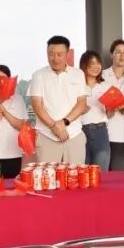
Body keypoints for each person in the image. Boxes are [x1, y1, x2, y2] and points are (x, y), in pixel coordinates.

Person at [28, 35, 88, 164]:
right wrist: (53, 126)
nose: (55, 59)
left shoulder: (78, 74)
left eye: (60, 54)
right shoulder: (38, 75)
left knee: (75, 174)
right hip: (46, 136)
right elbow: (37, 105)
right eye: (51, 54)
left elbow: (81, 104)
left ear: (67, 54)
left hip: (74, 135)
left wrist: (64, 123)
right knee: (47, 175)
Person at [102, 39, 124, 171]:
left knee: (118, 174)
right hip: (102, 132)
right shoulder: (101, 75)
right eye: (118, 52)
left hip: (123, 133)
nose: (122, 56)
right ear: (111, 54)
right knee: (100, 175)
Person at [79, 50, 111, 171]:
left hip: (100, 131)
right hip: (80, 131)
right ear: (84, 65)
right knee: (82, 171)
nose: (96, 66)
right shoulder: (77, 86)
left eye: (98, 63)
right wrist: (80, 110)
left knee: (101, 171)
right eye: (92, 63)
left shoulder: (106, 86)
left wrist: (110, 108)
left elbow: (110, 114)